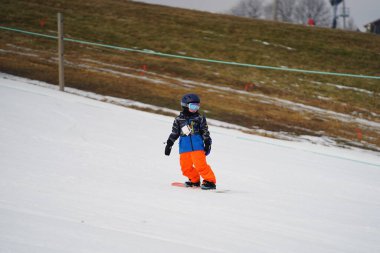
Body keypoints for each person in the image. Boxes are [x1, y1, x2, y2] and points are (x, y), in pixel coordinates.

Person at [164, 94, 216, 190]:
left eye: (197, 106)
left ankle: (210, 181)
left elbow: (205, 132)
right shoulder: (178, 120)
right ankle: (194, 180)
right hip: (184, 147)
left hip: (197, 147)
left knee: (200, 165)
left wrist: (207, 143)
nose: (195, 109)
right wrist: (169, 144)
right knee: (185, 168)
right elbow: (174, 133)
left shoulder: (199, 118)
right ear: (185, 105)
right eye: (193, 106)